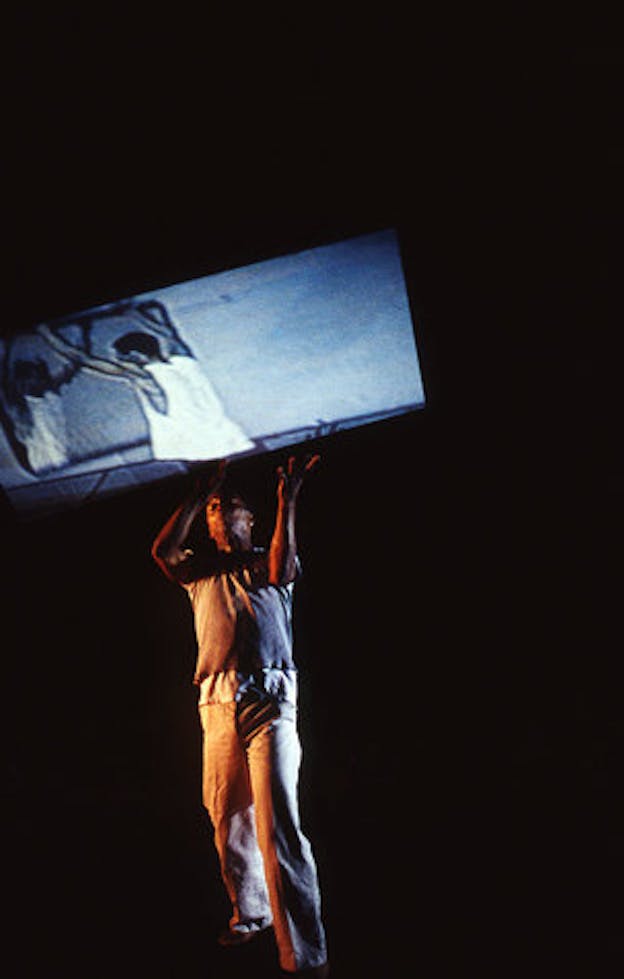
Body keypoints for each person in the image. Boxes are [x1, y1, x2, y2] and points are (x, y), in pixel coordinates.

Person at [151, 454, 329, 977]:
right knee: (227, 817)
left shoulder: (266, 563)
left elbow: (283, 562)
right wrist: (194, 495)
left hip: (270, 704)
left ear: (249, 521)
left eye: (230, 506)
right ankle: (252, 913)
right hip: (216, 701)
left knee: (278, 824)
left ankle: (305, 953)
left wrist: (287, 500)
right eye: (212, 510)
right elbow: (162, 550)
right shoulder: (199, 573)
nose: (220, 512)